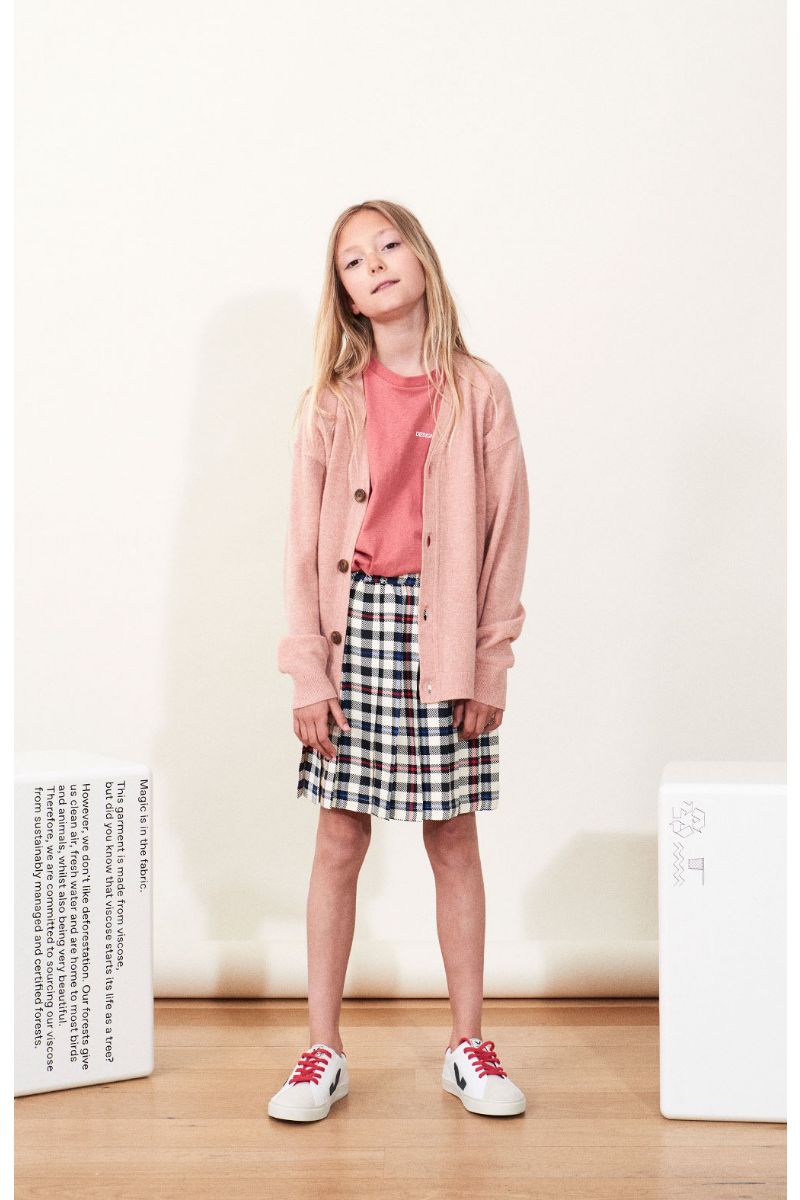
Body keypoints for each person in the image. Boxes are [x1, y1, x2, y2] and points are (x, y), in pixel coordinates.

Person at [268, 200, 530, 1122]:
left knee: (452, 835)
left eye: (388, 245)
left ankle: (468, 1044)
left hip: (441, 633)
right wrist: (308, 670)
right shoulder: (331, 403)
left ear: (421, 259)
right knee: (339, 837)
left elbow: (506, 536)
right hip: (354, 631)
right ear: (344, 295)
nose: (374, 264)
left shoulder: (480, 391)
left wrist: (488, 664)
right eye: (352, 260)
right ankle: (321, 1049)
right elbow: (303, 549)